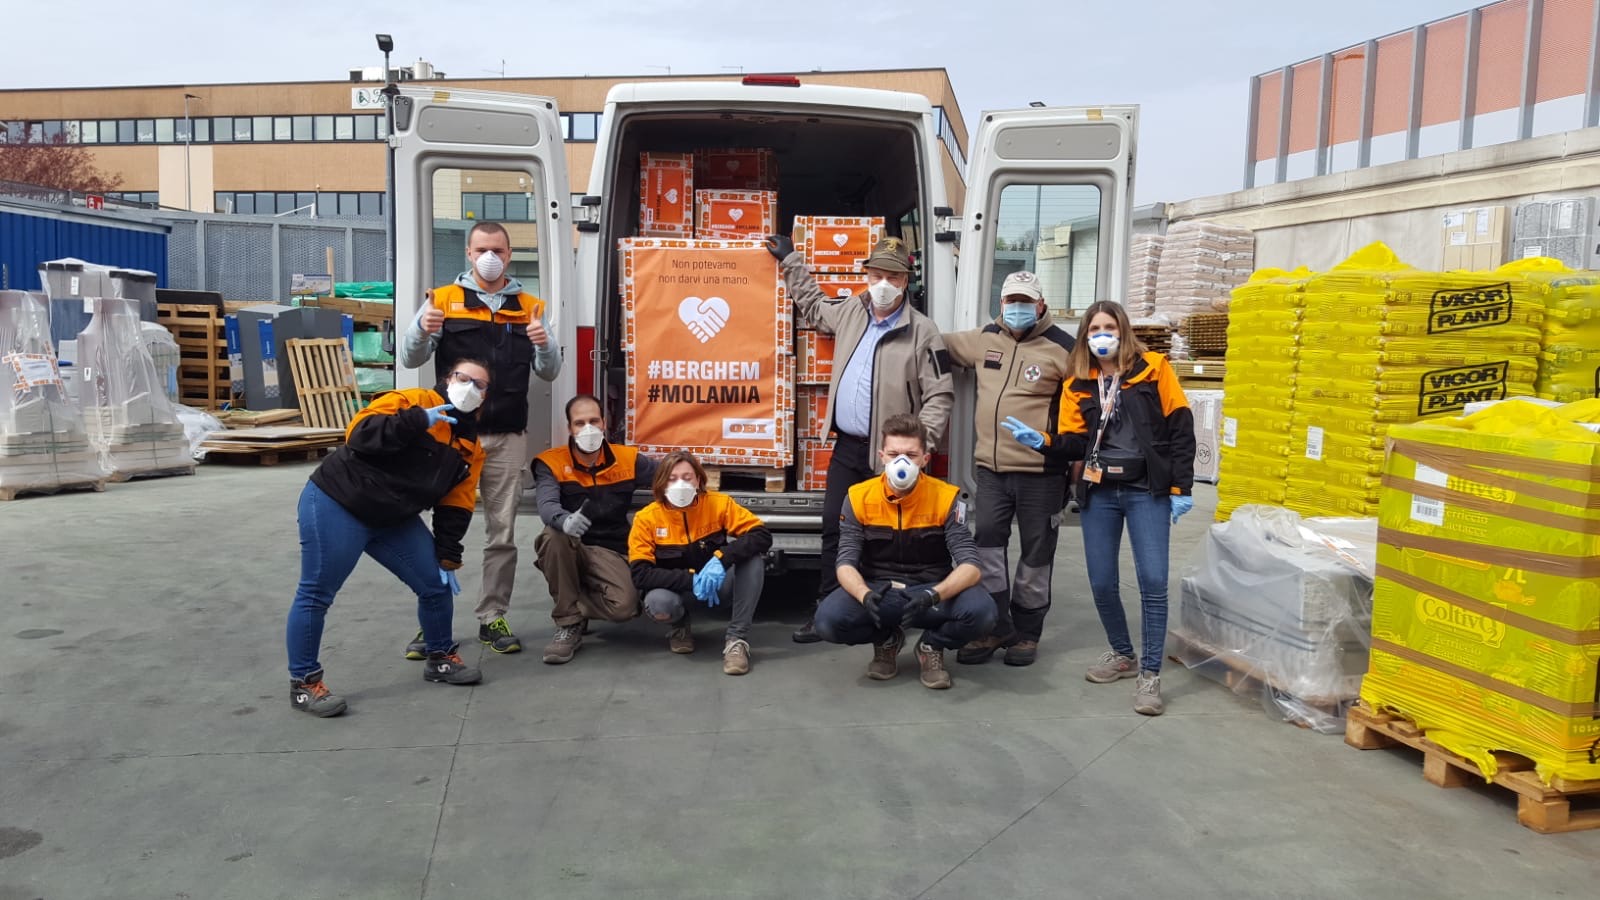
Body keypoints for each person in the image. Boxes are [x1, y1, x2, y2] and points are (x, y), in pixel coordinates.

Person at [1003, 300, 1197, 716]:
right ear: (1085, 336)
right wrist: (1045, 442)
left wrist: (1181, 486)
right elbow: (1074, 441)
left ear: (1123, 331)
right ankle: (1123, 654)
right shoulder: (1078, 382)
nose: (1102, 335)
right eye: (1094, 329)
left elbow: (1181, 427)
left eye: (1109, 327)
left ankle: (1150, 674)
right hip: (1100, 491)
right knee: (1103, 581)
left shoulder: (1153, 369)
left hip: (1147, 490)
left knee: (1153, 581)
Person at [765, 234, 954, 643]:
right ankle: (827, 607)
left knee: (891, 538)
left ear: (905, 281)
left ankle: (891, 616)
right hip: (849, 447)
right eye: (877, 274)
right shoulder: (853, 310)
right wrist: (791, 261)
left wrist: (918, 448)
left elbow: (940, 394)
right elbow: (815, 308)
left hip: (893, 456)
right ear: (866, 275)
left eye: (893, 276)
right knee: (835, 525)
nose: (883, 283)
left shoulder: (923, 332)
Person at [284, 361, 491, 717]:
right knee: (317, 592)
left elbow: (456, 503)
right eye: (464, 378)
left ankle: (440, 658)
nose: (471, 387)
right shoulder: (412, 400)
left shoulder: (470, 448)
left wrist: (448, 553)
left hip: (392, 517)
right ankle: (304, 684)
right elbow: (358, 433)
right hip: (339, 501)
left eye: (481, 384)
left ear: (486, 397)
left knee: (435, 584)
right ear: (448, 379)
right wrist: (415, 421)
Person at [399, 220, 561, 658]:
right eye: (482, 249)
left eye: (499, 250)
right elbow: (410, 357)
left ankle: (493, 617)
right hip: (453, 435)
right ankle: (432, 621)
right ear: (468, 254)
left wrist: (544, 344)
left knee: (501, 533)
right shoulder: (441, 301)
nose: (490, 257)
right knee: (439, 531)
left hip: (507, 436)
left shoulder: (530, 307)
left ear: (509, 254)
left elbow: (550, 370)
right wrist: (422, 329)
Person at [941, 271, 1075, 668]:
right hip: (991, 471)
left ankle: (1028, 632)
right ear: (1001, 303)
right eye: (1011, 300)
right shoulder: (985, 338)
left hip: (1041, 473)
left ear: (1041, 304)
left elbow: (1085, 410)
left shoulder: (1065, 349)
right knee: (986, 547)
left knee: (1036, 555)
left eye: (1026, 301)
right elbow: (935, 342)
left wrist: (1075, 468)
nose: (1018, 308)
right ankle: (996, 626)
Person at [813, 413, 996, 690]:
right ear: (881, 457)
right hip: (880, 592)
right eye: (894, 454)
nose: (902, 462)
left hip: (931, 591)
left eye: (911, 455)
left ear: (925, 459)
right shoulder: (858, 497)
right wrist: (864, 595)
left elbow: (970, 565)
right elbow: (845, 562)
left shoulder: (947, 497)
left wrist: (934, 594)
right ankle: (887, 640)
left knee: (983, 613)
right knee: (828, 621)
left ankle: (931, 645)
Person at [531, 394, 659, 664]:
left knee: (625, 608)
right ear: (569, 428)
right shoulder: (550, 462)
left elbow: (668, 472)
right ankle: (568, 623)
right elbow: (547, 504)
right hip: (572, 547)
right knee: (554, 535)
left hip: (612, 551)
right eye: (580, 423)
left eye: (593, 421)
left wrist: (690, 471)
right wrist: (564, 519)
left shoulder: (627, 459)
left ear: (604, 423)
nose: (588, 429)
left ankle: (574, 600)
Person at [627, 451, 772, 675]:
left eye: (687, 477)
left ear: (699, 480)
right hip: (678, 593)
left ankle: (736, 640)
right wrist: (690, 580)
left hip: (717, 588)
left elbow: (761, 535)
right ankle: (679, 626)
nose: (681, 485)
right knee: (658, 603)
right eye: (672, 478)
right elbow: (640, 574)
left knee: (753, 558)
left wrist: (721, 560)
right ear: (661, 483)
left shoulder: (718, 504)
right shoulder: (646, 518)